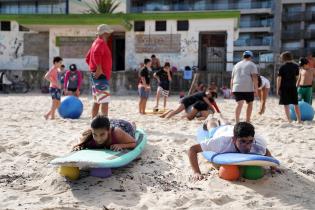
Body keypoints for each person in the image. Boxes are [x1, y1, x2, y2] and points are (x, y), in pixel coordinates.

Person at [188, 120, 280, 181]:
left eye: (250, 141)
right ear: (234, 139)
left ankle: (226, 122)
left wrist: (273, 167)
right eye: (243, 141)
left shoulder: (255, 145)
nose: (247, 145)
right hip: (221, 131)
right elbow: (192, 149)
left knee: (229, 125)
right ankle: (211, 120)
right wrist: (196, 172)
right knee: (212, 129)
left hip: (233, 129)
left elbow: (266, 151)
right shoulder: (221, 142)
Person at [86, 24, 113, 118]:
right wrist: (98, 69)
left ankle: (94, 122)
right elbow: (96, 54)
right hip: (100, 75)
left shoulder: (95, 42)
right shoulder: (100, 42)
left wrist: (93, 69)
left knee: (97, 100)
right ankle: (104, 124)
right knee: (104, 101)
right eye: (108, 33)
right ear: (105, 33)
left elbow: (87, 58)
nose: (109, 34)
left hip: (96, 75)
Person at [72, 115, 136, 152]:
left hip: (124, 126)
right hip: (107, 123)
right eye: (95, 135)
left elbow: (133, 143)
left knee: (132, 129)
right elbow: (80, 139)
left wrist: (121, 145)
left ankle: (133, 125)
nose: (98, 139)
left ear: (109, 131)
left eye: (102, 134)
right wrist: (79, 146)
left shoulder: (117, 133)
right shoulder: (91, 132)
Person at [230, 50, 258, 123]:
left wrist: (231, 89)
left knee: (239, 104)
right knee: (250, 103)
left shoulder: (236, 65)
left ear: (243, 57)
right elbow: (254, 77)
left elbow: (232, 78)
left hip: (236, 87)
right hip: (248, 88)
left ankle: (237, 121)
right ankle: (248, 120)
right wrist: (256, 89)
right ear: (251, 57)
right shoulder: (252, 64)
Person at [276, 51, 301, 123]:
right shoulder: (296, 66)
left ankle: (289, 120)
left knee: (286, 105)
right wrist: (297, 86)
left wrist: (278, 89)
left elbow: (279, 79)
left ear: (284, 58)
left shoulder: (282, 67)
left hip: (284, 87)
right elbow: (297, 78)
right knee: (296, 104)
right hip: (293, 87)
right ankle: (299, 120)